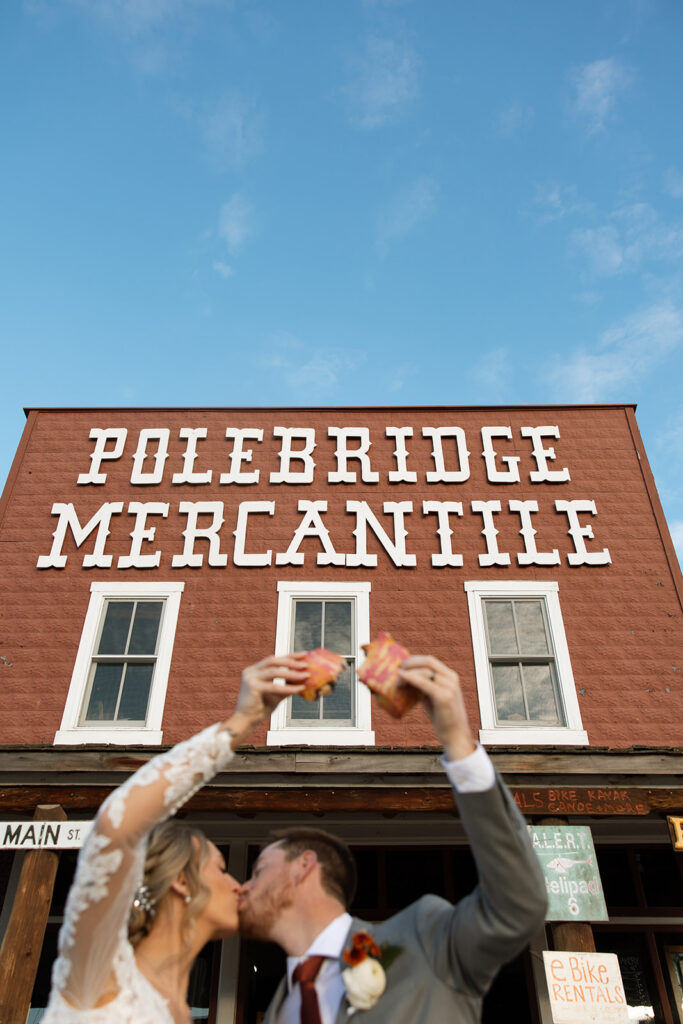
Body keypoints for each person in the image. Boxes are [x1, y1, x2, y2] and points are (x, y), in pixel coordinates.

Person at [238, 653, 548, 1024]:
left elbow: (519, 905)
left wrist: (458, 743)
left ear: (303, 867)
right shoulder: (275, 1012)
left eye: (258, 871)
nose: (244, 887)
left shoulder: (423, 938)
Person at [42, 653, 310, 1024]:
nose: (240, 886)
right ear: (182, 881)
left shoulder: (185, 1011)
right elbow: (116, 825)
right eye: (222, 868)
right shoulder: (101, 970)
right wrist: (243, 720)